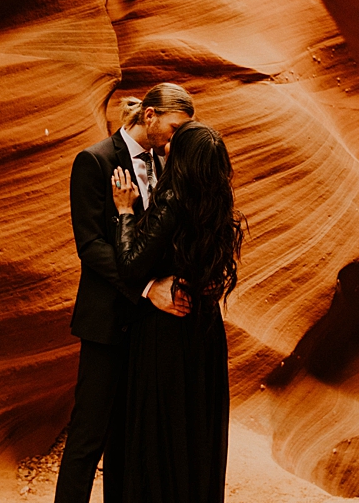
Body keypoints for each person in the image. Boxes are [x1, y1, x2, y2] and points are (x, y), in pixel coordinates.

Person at [55, 83, 196, 503]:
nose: (176, 138)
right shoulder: (94, 161)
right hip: (107, 320)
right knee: (88, 435)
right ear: (149, 115)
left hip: (151, 327)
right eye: (173, 127)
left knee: (132, 438)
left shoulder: (167, 164)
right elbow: (91, 246)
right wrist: (149, 288)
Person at [109, 120, 245, 503]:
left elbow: (131, 265)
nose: (165, 148)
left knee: (161, 432)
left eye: (173, 144)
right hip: (205, 331)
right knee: (197, 430)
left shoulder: (172, 201)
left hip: (166, 330)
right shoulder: (219, 201)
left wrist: (125, 211)